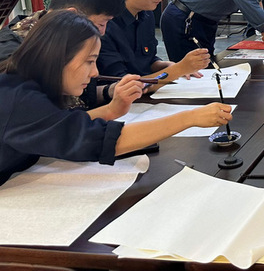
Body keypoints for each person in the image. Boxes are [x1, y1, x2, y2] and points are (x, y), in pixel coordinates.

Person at [0, 10, 232, 185]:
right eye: (89, 61)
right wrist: (189, 118)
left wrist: (111, 111)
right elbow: (99, 140)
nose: (95, 73)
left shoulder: (25, 86)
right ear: (57, 57)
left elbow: (63, 126)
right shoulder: (20, 100)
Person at [98, 0, 210, 83]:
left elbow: (148, 61)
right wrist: (178, 69)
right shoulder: (104, 24)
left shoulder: (146, 15)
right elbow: (122, 85)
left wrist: (170, 66)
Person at [0, 0, 126, 62]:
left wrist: (108, 89)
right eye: (101, 24)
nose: (102, 32)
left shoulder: (64, 40)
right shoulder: (15, 56)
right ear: (72, 15)